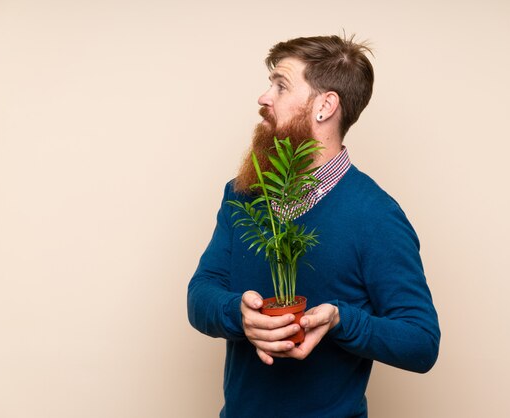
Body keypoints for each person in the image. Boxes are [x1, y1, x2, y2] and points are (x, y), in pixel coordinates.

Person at [187, 35, 440, 418]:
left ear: (325, 106)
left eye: (281, 85)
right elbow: (200, 292)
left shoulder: (376, 215)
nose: (263, 97)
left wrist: (341, 320)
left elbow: (421, 342)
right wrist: (237, 313)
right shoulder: (244, 194)